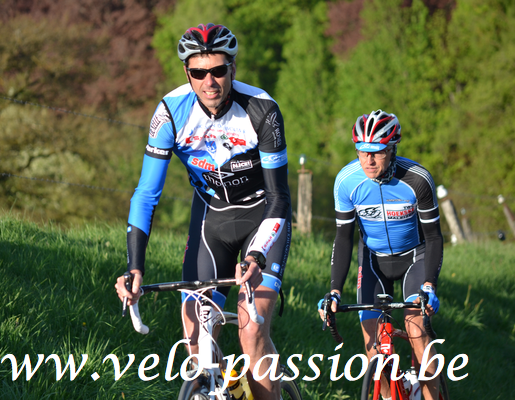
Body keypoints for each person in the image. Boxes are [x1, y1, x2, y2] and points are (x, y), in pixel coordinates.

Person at [115, 23, 291, 399]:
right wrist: (134, 267)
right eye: (198, 72)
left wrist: (257, 256)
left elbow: (279, 198)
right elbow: (146, 195)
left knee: (251, 329)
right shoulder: (170, 113)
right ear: (187, 73)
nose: (209, 82)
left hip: (262, 218)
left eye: (218, 70)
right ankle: (223, 388)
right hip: (212, 220)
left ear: (233, 68)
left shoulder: (262, 109)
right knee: (197, 340)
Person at [318, 110, 444, 400]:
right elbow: (343, 238)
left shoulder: (417, 179)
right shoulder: (347, 181)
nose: (369, 160)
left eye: (377, 152)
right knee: (373, 348)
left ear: (393, 149)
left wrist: (429, 285)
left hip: (415, 257)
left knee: (416, 332)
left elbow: (434, 237)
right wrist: (335, 291)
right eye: (362, 152)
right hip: (373, 261)